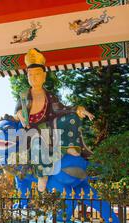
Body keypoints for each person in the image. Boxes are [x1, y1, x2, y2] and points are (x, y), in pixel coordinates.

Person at [14, 48, 95, 192]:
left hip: (49, 126)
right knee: (37, 142)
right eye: (30, 75)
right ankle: (42, 174)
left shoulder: (50, 96)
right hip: (31, 130)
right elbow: (16, 114)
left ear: (44, 76)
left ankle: (69, 147)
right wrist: (19, 113)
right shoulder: (24, 95)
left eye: (37, 74)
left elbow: (60, 110)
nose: (33, 78)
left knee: (71, 119)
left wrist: (77, 110)